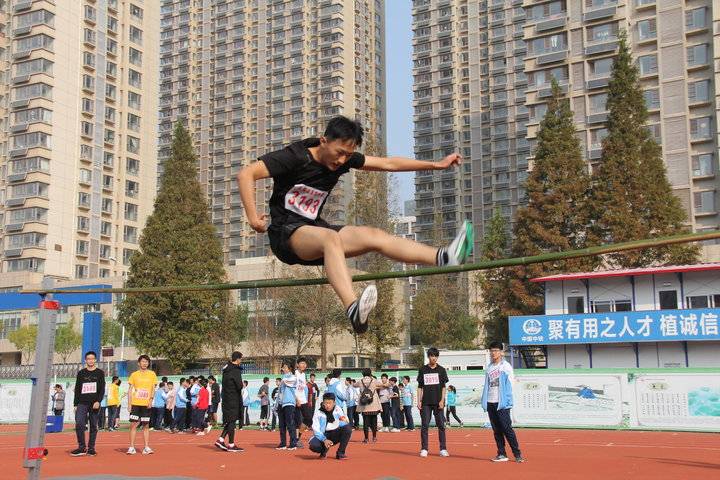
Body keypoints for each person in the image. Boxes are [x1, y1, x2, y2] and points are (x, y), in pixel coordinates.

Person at [237, 116, 473, 334]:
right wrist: (253, 218)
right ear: (323, 141)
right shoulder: (295, 156)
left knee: (374, 235)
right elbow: (246, 174)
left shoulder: (344, 160)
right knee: (331, 238)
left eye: (348, 156)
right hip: (286, 235)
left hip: (315, 230)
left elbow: (388, 164)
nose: (341, 161)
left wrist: (436, 165)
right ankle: (353, 309)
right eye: (339, 153)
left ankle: (444, 257)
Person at [481, 341, 524, 463]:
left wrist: (507, 401)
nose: (493, 353)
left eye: (495, 350)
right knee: (496, 430)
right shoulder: (489, 367)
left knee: (506, 428)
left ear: (501, 352)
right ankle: (501, 453)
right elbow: (487, 385)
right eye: (491, 351)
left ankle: (517, 454)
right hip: (490, 402)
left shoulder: (506, 366)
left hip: (502, 403)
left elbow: (511, 384)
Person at [71, 351, 105, 457]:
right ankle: (81, 447)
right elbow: (77, 389)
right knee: (79, 424)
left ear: (95, 360)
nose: (90, 360)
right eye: (88, 359)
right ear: (85, 360)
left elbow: (102, 389)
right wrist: (75, 404)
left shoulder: (100, 373)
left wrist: (98, 401)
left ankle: (91, 448)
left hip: (94, 403)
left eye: (92, 358)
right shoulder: (81, 373)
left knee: (94, 425)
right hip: (82, 403)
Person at [417, 347, 449, 458]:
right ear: (428, 357)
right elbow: (420, 387)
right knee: (425, 425)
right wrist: (419, 400)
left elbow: (444, 387)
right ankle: (424, 449)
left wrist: (442, 400)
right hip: (425, 402)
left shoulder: (441, 370)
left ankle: (443, 449)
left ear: (437, 357)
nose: (433, 358)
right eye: (431, 356)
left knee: (441, 426)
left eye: (435, 356)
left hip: (438, 402)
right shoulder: (423, 369)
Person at [126, 354, 158, 455]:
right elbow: (130, 390)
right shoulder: (134, 375)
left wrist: (150, 400)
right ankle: (131, 447)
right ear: (139, 363)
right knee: (133, 425)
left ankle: (146, 447)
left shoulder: (152, 374)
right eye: (143, 361)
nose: (145, 363)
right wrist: (129, 403)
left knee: (146, 425)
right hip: (135, 403)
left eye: (146, 362)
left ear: (148, 363)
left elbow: (153, 388)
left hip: (146, 404)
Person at [309, 393, 352, 460]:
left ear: (334, 403)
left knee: (347, 428)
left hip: (335, 434)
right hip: (323, 435)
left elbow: (344, 422)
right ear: (323, 403)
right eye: (326, 403)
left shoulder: (338, 409)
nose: (327, 405)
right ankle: (323, 451)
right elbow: (316, 429)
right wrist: (324, 439)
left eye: (330, 403)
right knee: (314, 446)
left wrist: (337, 422)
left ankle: (340, 453)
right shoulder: (318, 413)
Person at [215, 351, 244, 452]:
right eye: (241, 359)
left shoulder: (226, 369)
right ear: (237, 359)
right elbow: (239, 385)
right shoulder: (235, 370)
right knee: (232, 421)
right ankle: (231, 444)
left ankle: (221, 439)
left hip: (227, 398)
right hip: (233, 399)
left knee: (230, 420)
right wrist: (242, 385)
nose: (241, 361)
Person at [276, 360, 298, 450]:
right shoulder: (283, 379)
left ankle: (293, 443)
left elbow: (288, 381)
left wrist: (282, 380)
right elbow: (280, 393)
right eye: (283, 367)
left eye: (284, 367)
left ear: (290, 369)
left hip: (289, 403)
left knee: (290, 424)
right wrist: (277, 405)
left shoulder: (293, 377)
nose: (283, 369)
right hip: (281, 404)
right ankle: (283, 443)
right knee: (282, 425)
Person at [355, 369, 381, 444]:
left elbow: (354, 385)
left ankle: (366, 438)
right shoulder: (374, 380)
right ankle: (374, 437)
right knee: (374, 422)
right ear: (370, 373)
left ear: (362, 374)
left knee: (365, 423)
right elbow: (381, 384)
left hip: (364, 404)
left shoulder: (360, 381)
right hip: (373, 404)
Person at [294, 357, 312, 448]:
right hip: (296, 401)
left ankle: (297, 438)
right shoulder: (295, 374)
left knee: (308, 419)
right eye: (301, 363)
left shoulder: (304, 375)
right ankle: (295, 440)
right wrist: (296, 399)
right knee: (297, 421)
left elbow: (303, 389)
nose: (303, 365)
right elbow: (292, 389)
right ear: (297, 365)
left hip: (303, 400)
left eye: (305, 364)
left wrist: (307, 400)